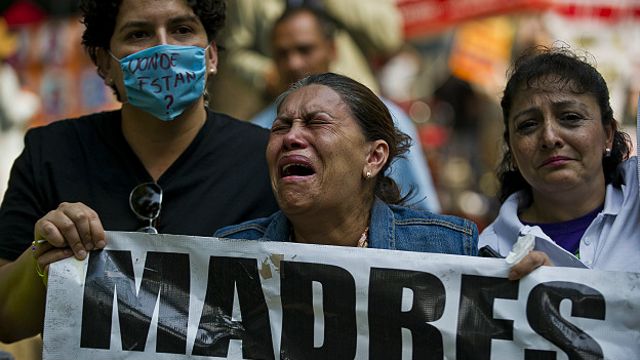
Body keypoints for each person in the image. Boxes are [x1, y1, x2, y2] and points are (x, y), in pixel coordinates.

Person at [0, 0, 279, 343]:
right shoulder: (51, 154)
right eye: (139, 33)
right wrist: (41, 261)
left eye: (182, 29)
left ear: (212, 55)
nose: (163, 47)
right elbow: (5, 320)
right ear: (104, 63)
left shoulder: (268, 161)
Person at [216, 72, 477, 255]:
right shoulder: (230, 253)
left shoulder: (443, 249)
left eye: (316, 122)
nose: (291, 137)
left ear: (373, 158)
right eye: (280, 127)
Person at [251, 6, 441, 211]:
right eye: (282, 54)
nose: (294, 63)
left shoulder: (384, 117)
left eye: (305, 50)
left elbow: (422, 207)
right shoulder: (256, 130)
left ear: (332, 49)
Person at [479, 46, 639, 273]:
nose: (549, 138)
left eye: (570, 117)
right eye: (528, 125)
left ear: (608, 134)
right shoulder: (486, 254)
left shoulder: (636, 202)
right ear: (512, 150)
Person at [208, 0, 403, 120]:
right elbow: (235, 51)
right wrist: (267, 74)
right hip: (285, 105)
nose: (295, 62)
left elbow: (388, 37)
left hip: (357, 97)